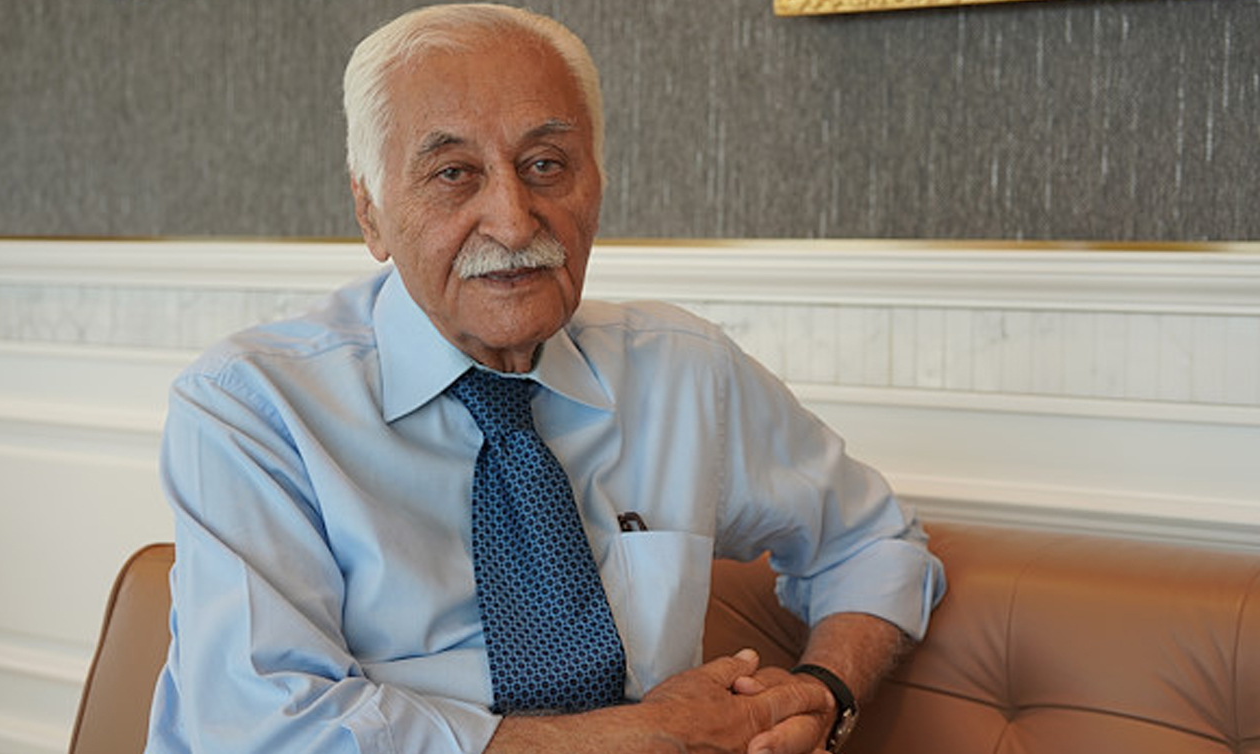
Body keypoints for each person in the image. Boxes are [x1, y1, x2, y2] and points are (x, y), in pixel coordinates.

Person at [144, 4, 945, 753]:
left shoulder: (684, 370)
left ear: (596, 184)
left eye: (545, 164)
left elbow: (871, 541)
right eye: (453, 173)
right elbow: (265, 727)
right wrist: (636, 739)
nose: (513, 220)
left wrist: (826, 694)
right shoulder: (254, 406)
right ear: (371, 212)